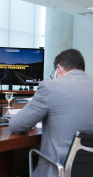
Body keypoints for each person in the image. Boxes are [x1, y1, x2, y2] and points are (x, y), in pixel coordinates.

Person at [9, 49, 93, 177]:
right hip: (88, 169)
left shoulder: (50, 87)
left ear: (58, 68)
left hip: (59, 169)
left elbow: (17, 125)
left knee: (21, 165)